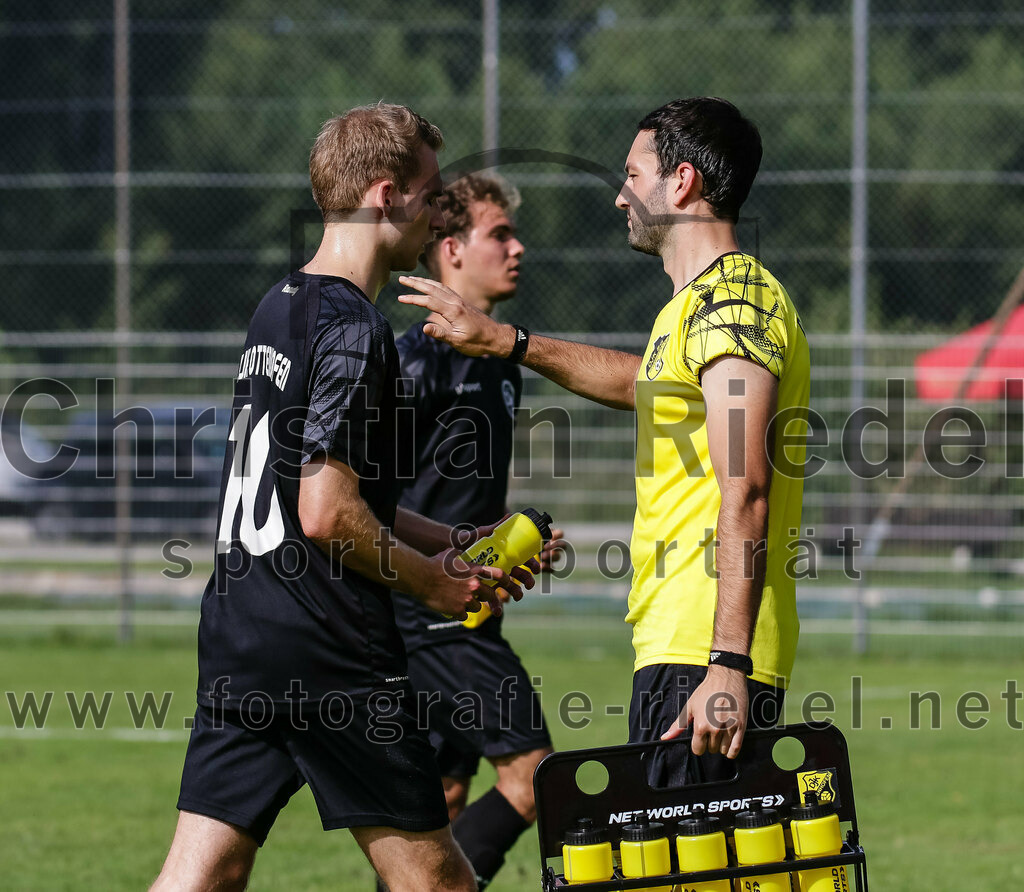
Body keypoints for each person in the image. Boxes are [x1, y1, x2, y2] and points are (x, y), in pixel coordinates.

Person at [151, 103, 537, 892]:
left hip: (240, 630)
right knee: (440, 883)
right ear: (386, 194)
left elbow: (333, 492)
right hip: (328, 645)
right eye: (430, 195)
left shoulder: (280, 305)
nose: (438, 213)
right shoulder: (355, 326)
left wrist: (448, 545)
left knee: (203, 875)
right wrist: (433, 584)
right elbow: (326, 513)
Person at [397, 97, 810, 783]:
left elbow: (749, 488)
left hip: (706, 648)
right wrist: (508, 341)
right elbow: (639, 383)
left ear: (682, 183)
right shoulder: (695, 309)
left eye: (633, 174)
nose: (621, 196)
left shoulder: (735, 303)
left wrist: (728, 664)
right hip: (678, 644)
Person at [388, 173, 562, 890]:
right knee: (535, 779)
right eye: (501, 235)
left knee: (440, 806)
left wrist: (511, 537)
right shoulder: (418, 359)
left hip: (467, 599)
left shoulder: (496, 365)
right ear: (452, 250)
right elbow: (367, 494)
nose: (518, 248)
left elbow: (449, 495)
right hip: (432, 612)